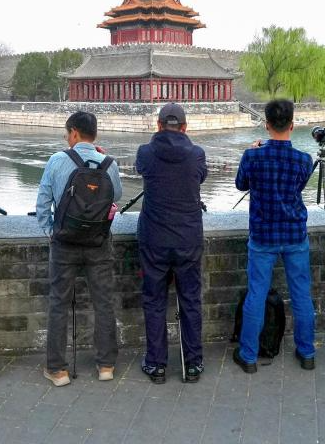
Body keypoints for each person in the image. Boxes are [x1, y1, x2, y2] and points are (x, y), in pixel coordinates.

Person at [36, 111, 122, 387]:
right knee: (104, 303)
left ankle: (57, 370)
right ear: (94, 134)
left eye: (67, 133)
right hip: (98, 242)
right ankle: (106, 365)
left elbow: (43, 202)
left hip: (65, 243)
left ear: (74, 132)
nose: (66, 137)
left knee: (58, 304)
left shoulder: (57, 160)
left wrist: (50, 231)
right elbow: (117, 196)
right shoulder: (109, 163)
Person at [232, 99, 316, 374]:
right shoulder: (304, 160)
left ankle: (248, 356)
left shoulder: (252, 156)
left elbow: (241, 184)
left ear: (266, 125)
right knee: (301, 294)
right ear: (292, 125)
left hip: (263, 235)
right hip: (294, 233)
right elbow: (298, 188)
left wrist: (253, 151)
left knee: (256, 294)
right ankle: (307, 353)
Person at [135, 103, 208, 384]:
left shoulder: (145, 152)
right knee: (190, 300)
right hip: (188, 238)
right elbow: (200, 177)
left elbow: (142, 170)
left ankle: (156, 365)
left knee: (154, 301)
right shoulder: (197, 154)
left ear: (159, 125)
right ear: (185, 127)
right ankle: (193, 363)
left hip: (154, 238)